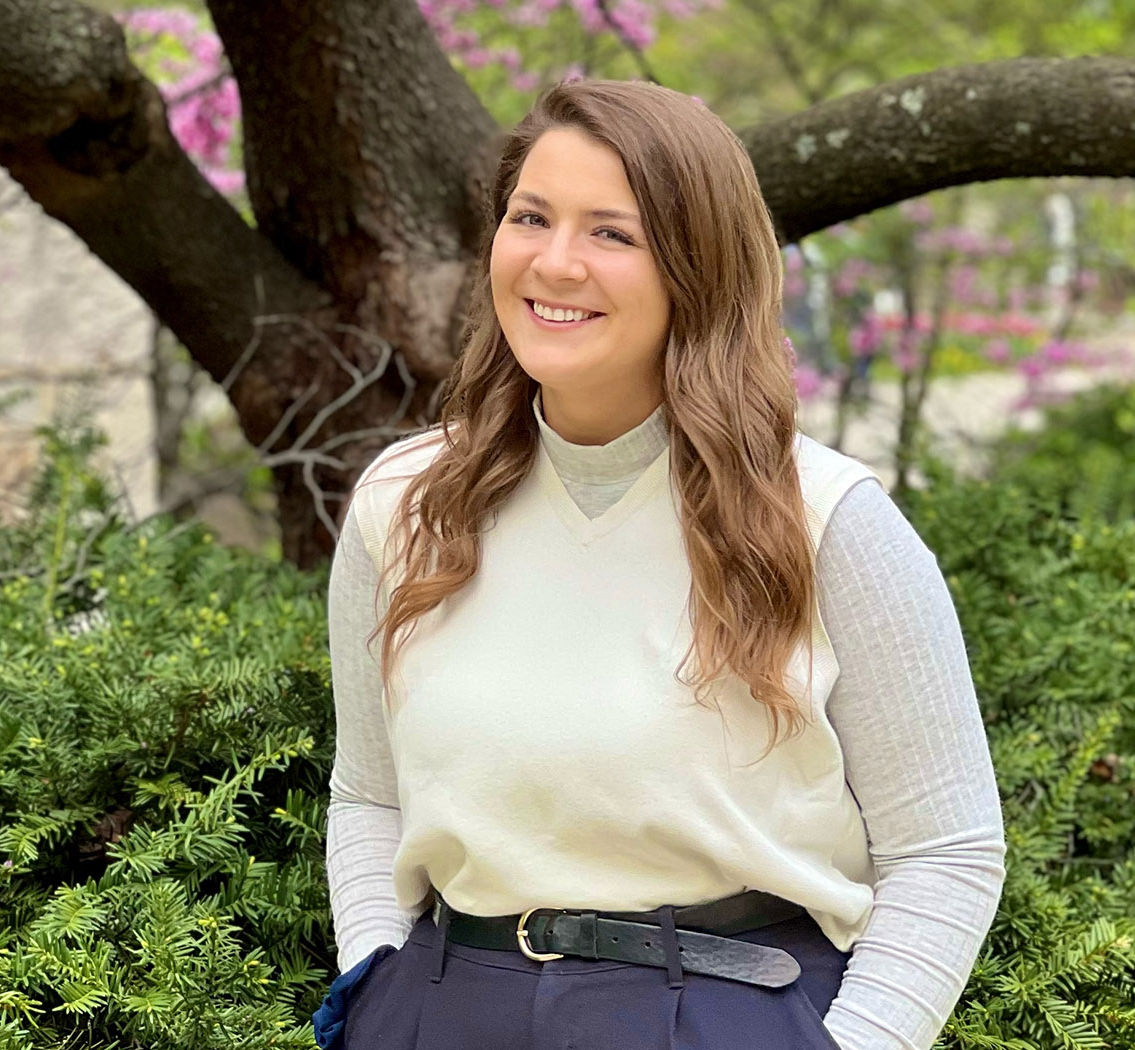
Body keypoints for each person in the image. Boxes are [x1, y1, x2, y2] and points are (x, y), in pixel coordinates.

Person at [316, 78, 1006, 1050]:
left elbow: (946, 851)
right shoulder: (404, 505)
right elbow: (369, 796)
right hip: (440, 1009)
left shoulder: (827, 523)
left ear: (695, 264)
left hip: (722, 1011)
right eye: (531, 218)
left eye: (611, 233)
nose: (555, 263)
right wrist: (377, 988)